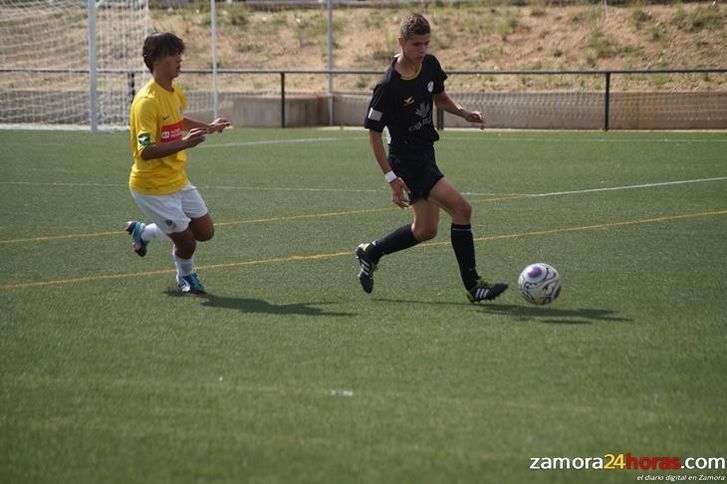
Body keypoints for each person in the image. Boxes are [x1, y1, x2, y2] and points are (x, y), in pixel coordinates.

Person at [355, 13, 508, 303]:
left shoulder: (430, 64)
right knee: (463, 209)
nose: (422, 50)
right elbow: (374, 135)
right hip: (407, 160)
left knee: (425, 229)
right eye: (416, 45)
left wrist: (464, 113)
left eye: (426, 43)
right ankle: (474, 286)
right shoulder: (387, 87)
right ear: (401, 42)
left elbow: (439, 97)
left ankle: (371, 252)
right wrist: (391, 178)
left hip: (426, 153)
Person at [125, 32, 230, 295]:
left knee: (205, 232)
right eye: (173, 54)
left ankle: (143, 232)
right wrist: (185, 143)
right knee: (188, 243)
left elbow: (177, 120)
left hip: (177, 180)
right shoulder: (146, 102)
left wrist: (209, 127)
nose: (179, 59)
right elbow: (146, 151)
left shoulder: (174, 92)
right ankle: (186, 277)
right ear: (155, 60)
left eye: (179, 53)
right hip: (152, 188)